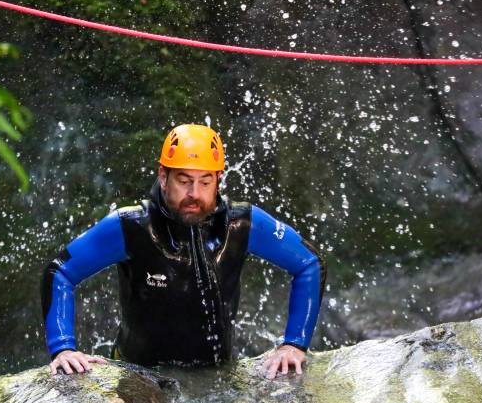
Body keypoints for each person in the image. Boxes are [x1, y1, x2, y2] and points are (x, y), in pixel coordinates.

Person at [42, 124, 326, 379]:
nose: (194, 193)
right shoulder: (131, 226)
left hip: (215, 378)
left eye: (205, 181)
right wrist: (63, 348)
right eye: (184, 180)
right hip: (138, 376)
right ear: (163, 177)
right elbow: (61, 271)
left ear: (218, 180)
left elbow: (309, 264)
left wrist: (294, 343)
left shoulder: (242, 224)